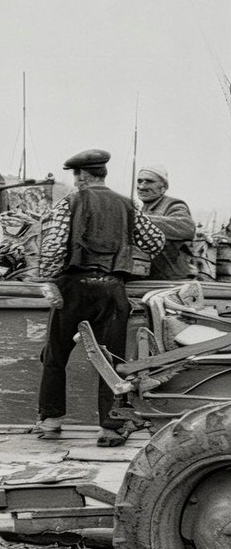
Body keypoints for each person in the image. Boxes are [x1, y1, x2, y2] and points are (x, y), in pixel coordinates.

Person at [34, 149, 165, 447]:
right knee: (111, 361)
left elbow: (54, 247)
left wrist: (49, 282)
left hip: (73, 289)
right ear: (102, 174)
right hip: (112, 289)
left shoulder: (70, 202)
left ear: (81, 175)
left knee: (55, 355)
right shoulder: (127, 204)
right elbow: (155, 241)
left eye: (76, 175)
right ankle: (109, 427)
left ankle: (51, 421)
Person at [135, 166, 196, 280]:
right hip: (148, 275)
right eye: (139, 181)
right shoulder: (141, 209)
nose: (141, 186)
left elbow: (187, 227)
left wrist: (140, 220)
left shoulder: (173, 205)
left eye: (149, 182)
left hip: (172, 277)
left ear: (164, 187)